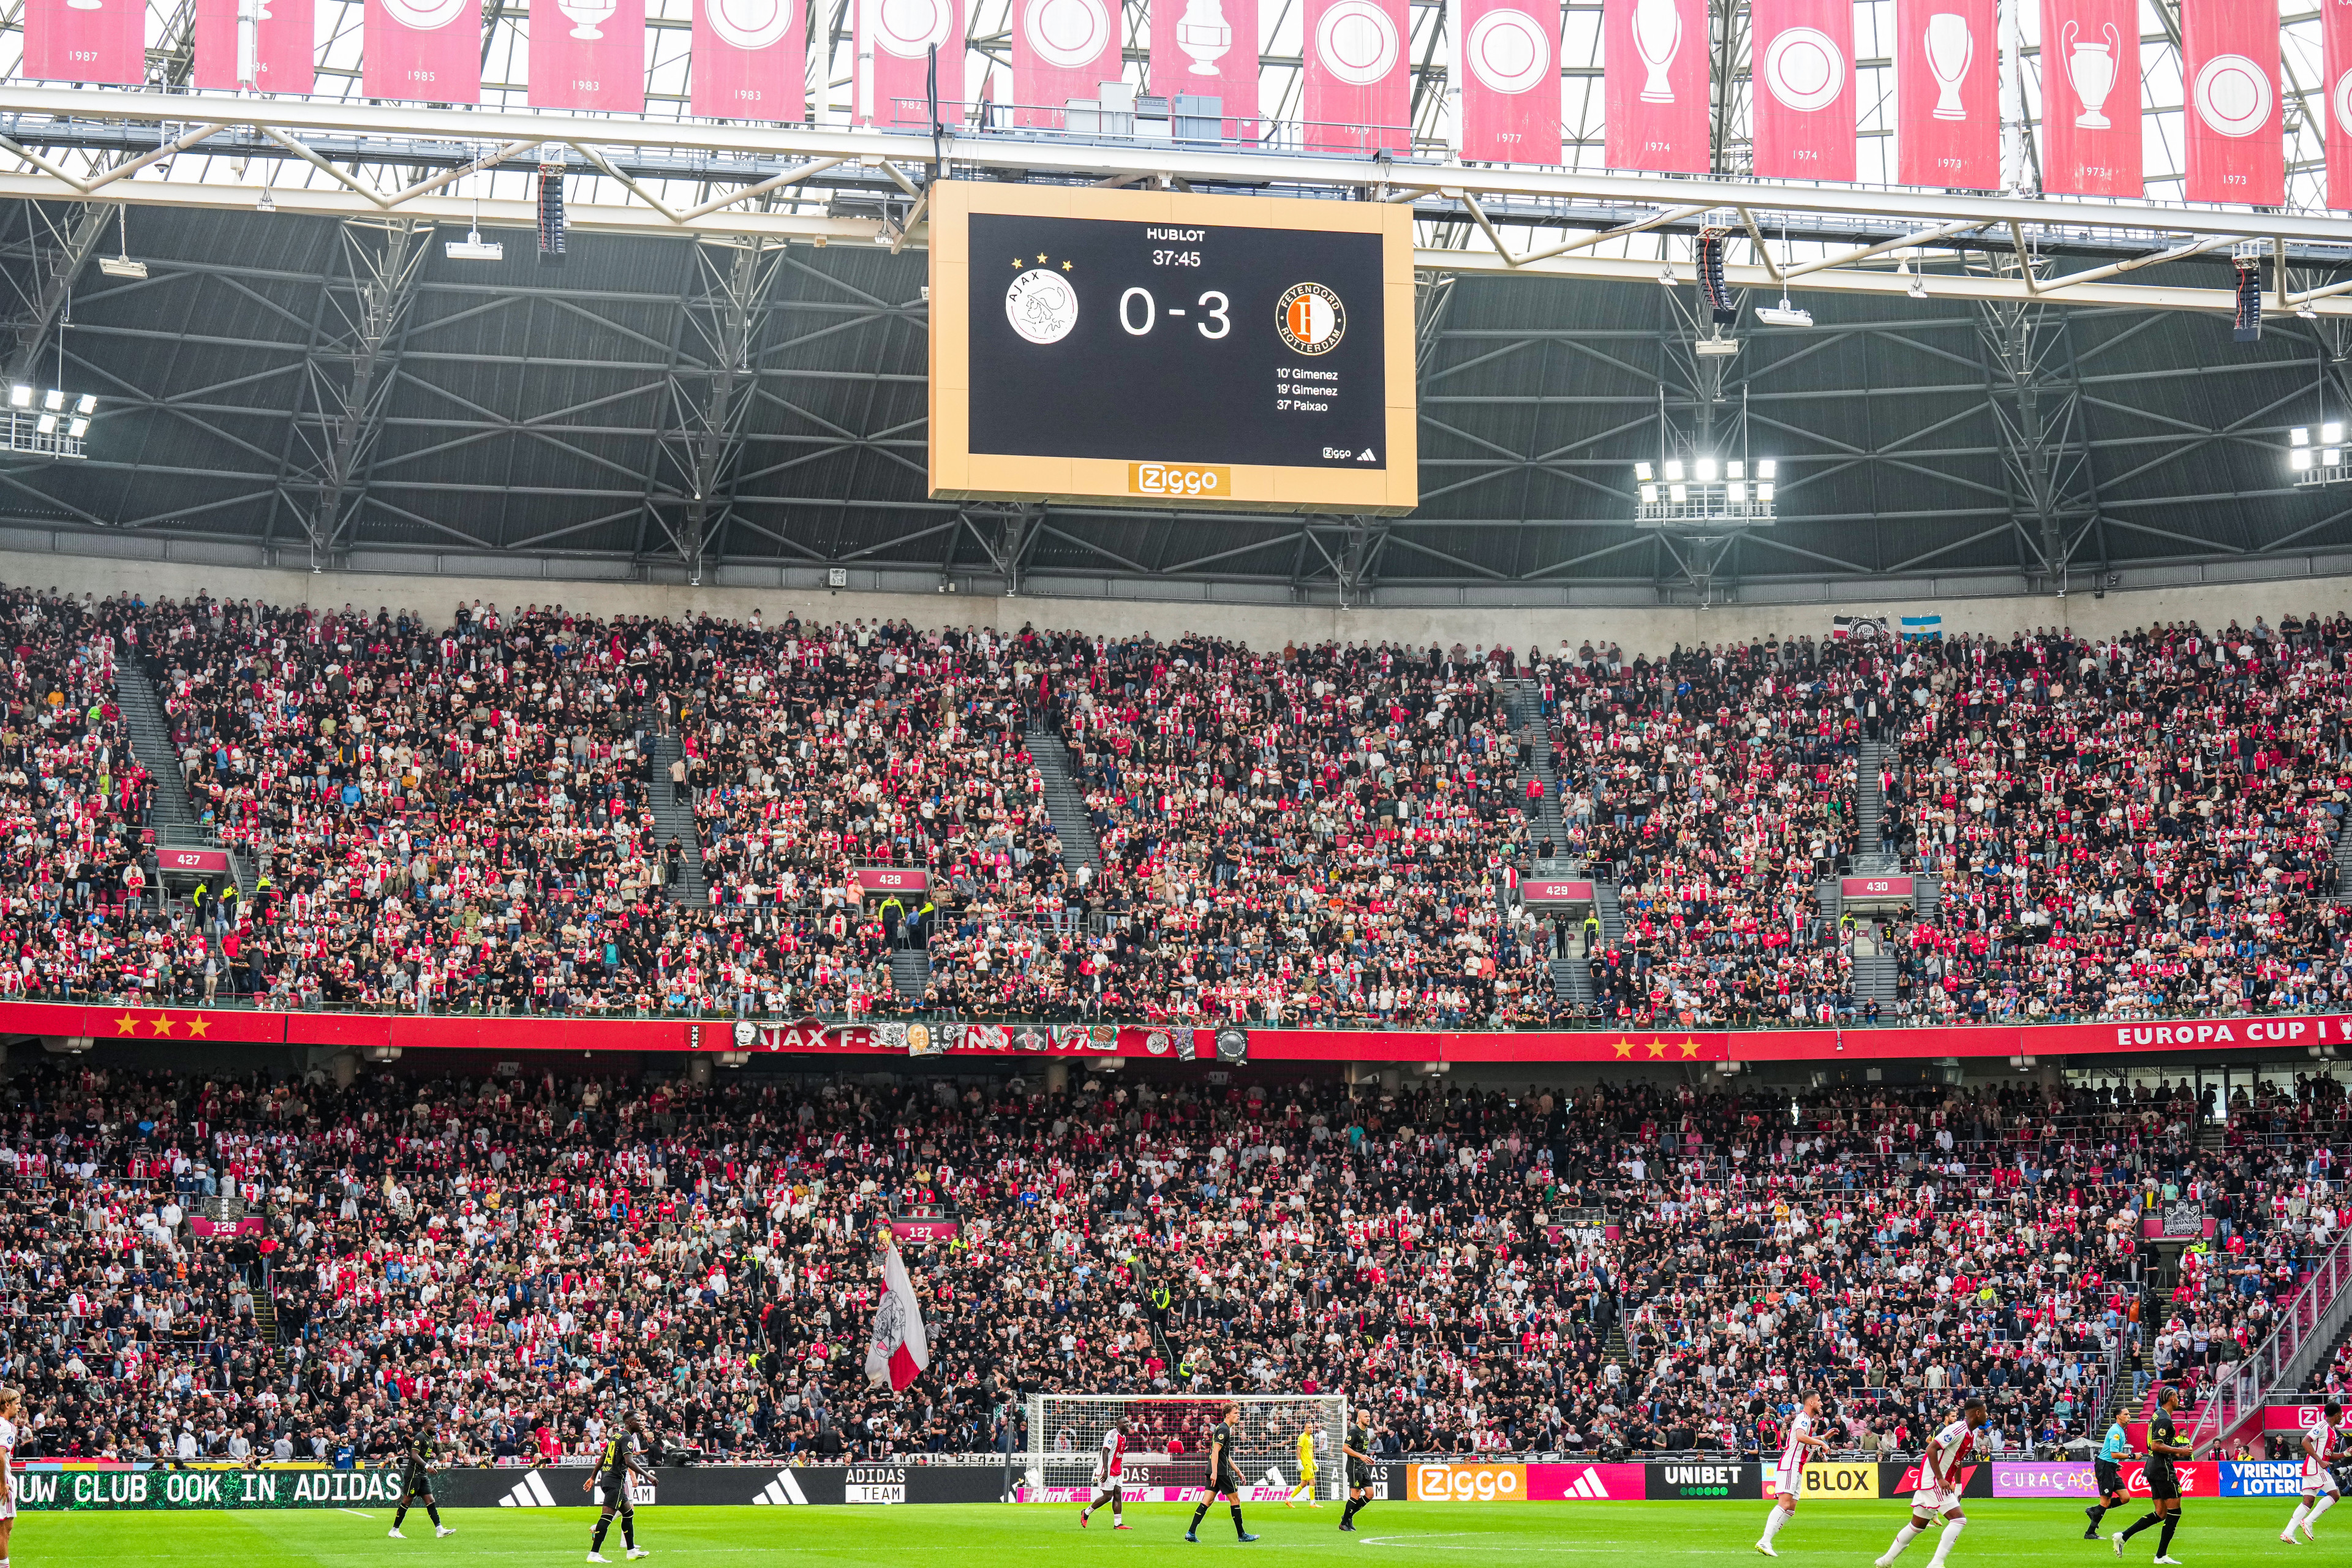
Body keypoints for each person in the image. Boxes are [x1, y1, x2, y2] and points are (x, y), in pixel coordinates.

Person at [1875, 1398, 1986, 1568]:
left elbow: (1958, 1459)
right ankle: (1936, 1564)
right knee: (1959, 1520)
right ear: (1978, 1413)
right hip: (1933, 1480)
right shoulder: (1958, 1429)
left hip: (1934, 1481)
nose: (1987, 1415)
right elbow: (1931, 1448)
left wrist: (1958, 1485)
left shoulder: (1970, 1434)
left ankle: (1886, 1560)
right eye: (1985, 1412)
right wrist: (1941, 1479)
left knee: (1917, 1526)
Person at [2113, 1385, 2187, 1566]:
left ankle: (2123, 1536)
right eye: (2177, 1396)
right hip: (2163, 1469)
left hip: (2153, 1467)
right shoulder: (2164, 1419)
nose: (2178, 1399)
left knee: (2161, 1513)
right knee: (2175, 1511)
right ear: (2171, 1398)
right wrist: (2180, 1450)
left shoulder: (2157, 1415)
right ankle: (2161, 1555)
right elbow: (2156, 1445)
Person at [1757, 1389, 1828, 1558]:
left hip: (1798, 1466)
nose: (1821, 1403)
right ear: (1811, 1402)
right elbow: (1801, 1437)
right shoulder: (1804, 1418)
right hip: (1791, 1464)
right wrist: (1821, 1442)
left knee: (1790, 1509)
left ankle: (1766, 1541)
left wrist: (1824, 1437)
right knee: (1784, 1504)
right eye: (1819, 1400)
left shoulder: (1806, 1420)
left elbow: (1804, 1441)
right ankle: (1765, 1541)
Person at [586, 1414, 655, 1563]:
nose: (641, 1424)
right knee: (607, 1517)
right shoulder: (627, 1438)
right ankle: (593, 1554)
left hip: (608, 1478)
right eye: (638, 1421)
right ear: (630, 1423)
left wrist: (593, 1477)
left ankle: (631, 1551)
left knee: (628, 1513)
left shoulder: (616, 1436)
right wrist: (648, 1475)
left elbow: (603, 1458)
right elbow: (629, 1461)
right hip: (615, 1480)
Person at [1186, 1401, 1257, 1544]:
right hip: (1221, 1472)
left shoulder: (1222, 1428)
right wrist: (1215, 1472)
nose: (1239, 1416)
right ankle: (1242, 1535)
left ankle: (1191, 1533)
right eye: (1236, 1413)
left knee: (1207, 1501)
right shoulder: (1224, 1429)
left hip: (1215, 1470)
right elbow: (1215, 1452)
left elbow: (1224, 1453)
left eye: (1239, 1413)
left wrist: (1237, 1470)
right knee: (1235, 1500)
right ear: (1227, 1415)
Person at [2283, 1401, 2343, 1544]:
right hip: (2315, 1468)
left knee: (2308, 1501)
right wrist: (2320, 1461)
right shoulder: (2321, 1426)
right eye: (2341, 1414)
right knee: (2335, 1495)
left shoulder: (2332, 1431)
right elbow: (2305, 1442)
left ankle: (2288, 1533)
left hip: (2313, 1468)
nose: (2342, 1417)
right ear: (2336, 1415)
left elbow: (2328, 1455)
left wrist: (2345, 1454)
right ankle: (2308, 1521)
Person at [388, 1422, 454, 1539]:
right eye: (432, 1424)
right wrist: (427, 1466)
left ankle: (439, 1529)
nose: (435, 1427)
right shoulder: (420, 1436)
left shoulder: (430, 1439)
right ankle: (394, 1530)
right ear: (426, 1426)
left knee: (430, 1500)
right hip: (414, 1473)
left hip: (422, 1474)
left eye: (436, 1425)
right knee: (407, 1501)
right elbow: (414, 1455)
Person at [1080, 1418, 1131, 1530]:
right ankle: (1086, 1512)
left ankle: (1118, 1524)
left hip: (1117, 1470)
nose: (1128, 1424)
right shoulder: (1112, 1434)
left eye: (1128, 1422)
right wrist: (1106, 1471)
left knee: (1118, 1494)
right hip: (1106, 1469)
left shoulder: (1124, 1437)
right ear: (1118, 1424)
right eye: (1125, 1422)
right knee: (1108, 1496)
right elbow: (1105, 1451)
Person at [2087, 1412, 2131, 1539]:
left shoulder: (2121, 1431)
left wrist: (2115, 1465)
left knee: (2125, 1498)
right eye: (2126, 1414)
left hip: (2110, 1466)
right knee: (2105, 1502)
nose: (2129, 1416)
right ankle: (2090, 1532)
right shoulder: (2115, 1432)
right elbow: (2114, 1454)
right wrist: (2132, 1456)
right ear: (2118, 1417)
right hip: (2105, 1467)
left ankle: (2095, 1510)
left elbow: (2111, 1455)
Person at [1339, 1408, 1376, 1534]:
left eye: (1369, 1416)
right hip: (1354, 1467)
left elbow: (1361, 1452)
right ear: (1359, 1419)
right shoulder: (1354, 1431)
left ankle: (1348, 1516)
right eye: (1366, 1416)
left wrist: (1367, 1459)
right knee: (1355, 1495)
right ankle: (1344, 1523)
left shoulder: (1365, 1432)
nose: (1368, 1418)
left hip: (1362, 1467)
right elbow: (1345, 1448)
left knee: (1370, 1494)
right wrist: (1360, 1456)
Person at [0, 1387, 21, 1568]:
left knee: (7, 1526)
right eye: (17, 1403)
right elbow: (0, 1455)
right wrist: (2, 1484)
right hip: (2, 1480)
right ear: (7, 1405)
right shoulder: (7, 1427)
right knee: (5, 1527)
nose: (19, 1407)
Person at [1288, 1423, 1320, 1509]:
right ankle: (1312, 1503)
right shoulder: (1302, 1437)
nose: (1311, 1429)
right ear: (1305, 1429)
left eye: (1312, 1427)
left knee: (1304, 1483)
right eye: (1309, 1428)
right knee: (1313, 1482)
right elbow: (1298, 1451)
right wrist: (1299, 1462)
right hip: (1305, 1463)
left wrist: (1314, 1462)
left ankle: (1289, 1500)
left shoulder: (1311, 1437)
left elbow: (1311, 1451)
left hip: (1309, 1462)